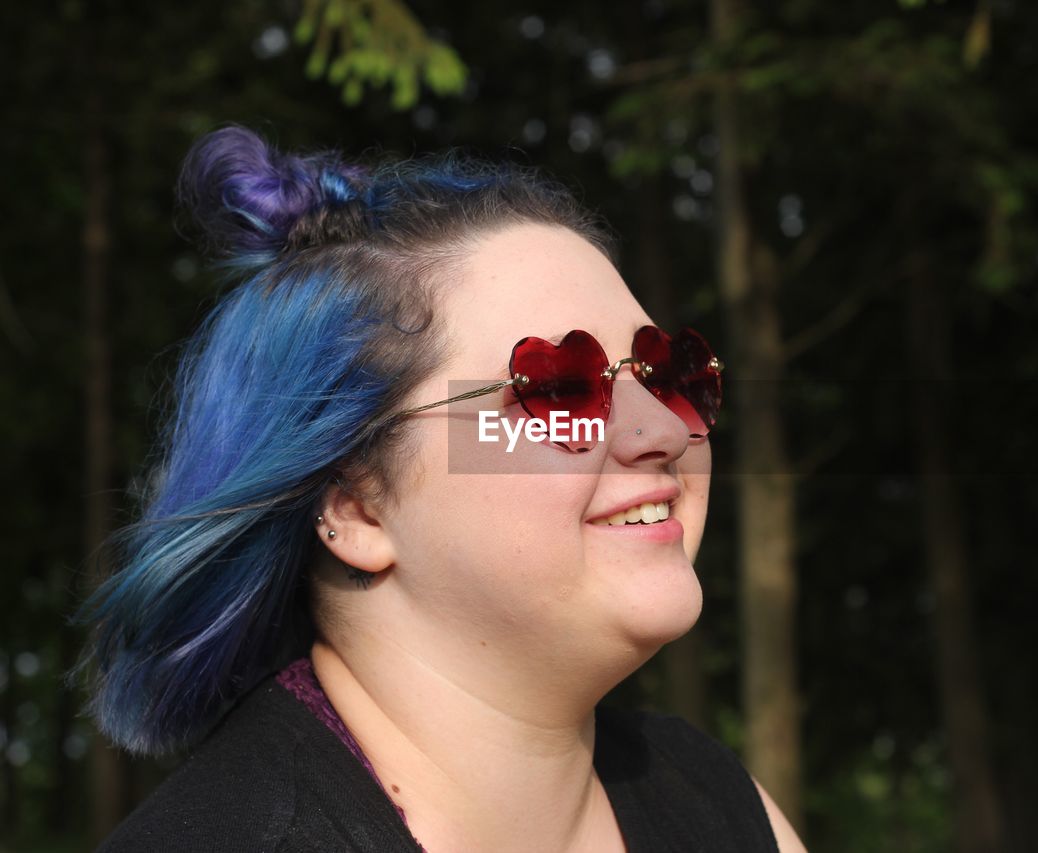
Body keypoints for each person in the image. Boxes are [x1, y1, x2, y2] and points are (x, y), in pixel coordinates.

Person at [77, 125, 806, 852]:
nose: (666, 430)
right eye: (560, 386)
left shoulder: (721, 804)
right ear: (357, 505)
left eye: (668, 372)